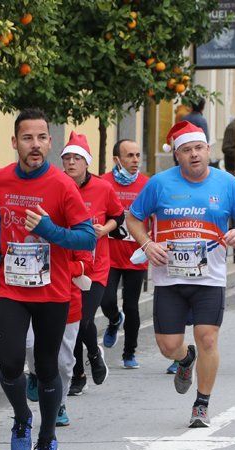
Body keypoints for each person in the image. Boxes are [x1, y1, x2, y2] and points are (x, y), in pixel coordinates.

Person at [126, 121, 235, 428]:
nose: (194, 155)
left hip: (209, 278)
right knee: (167, 345)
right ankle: (185, 359)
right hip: (169, 277)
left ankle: (201, 404)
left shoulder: (225, 183)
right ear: (177, 156)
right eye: (186, 150)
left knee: (208, 339)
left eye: (199, 148)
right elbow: (133, 218)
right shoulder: (159, 184)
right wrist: (146, 244)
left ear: (208, 150)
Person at [0, 108, 96, 450]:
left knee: (48, 366)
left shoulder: (63, 186)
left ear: (50, 141)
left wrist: (49, 229)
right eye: (27, 138)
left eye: (41, 138)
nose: (35, 146)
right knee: (9, 360)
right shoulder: (1, 180)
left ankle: (48, 438)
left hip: (52, 291)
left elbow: (85, 237)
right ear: (14, 142)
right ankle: (22, 417)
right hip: (11, 286)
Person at [59, 132, 124, 396]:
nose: (71, 162)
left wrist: (103, 230)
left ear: (87, 163)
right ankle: (79, 373)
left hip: (97, 267)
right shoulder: (58, 186)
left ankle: (94, 355)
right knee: (71, 320)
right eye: (67, 158)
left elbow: (118, 217)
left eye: (77, 158)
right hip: (68, 265)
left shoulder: (102, 188)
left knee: (83, 319)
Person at [25, 247, 93, 427]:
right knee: (29, 344)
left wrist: (57, 267)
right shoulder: (27, 220)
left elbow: (86, 263)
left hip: (66, 300)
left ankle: (59, 404)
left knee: (63, 361)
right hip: (30, 296)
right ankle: (34, 372)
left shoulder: (74, 225)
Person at [100, 139, 151, 369]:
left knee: (131, 306)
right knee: (106, 299)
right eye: (130, 155)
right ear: (116, 160)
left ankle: (129, 352)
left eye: (138, 155)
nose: (135, 160)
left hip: (135, 255)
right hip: (108, 254)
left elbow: (155, 216)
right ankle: (113, 319)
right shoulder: (103, 183)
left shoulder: (146, 184)